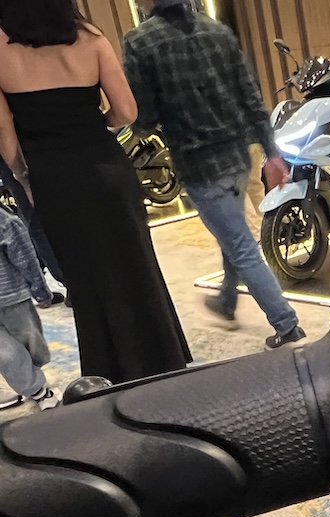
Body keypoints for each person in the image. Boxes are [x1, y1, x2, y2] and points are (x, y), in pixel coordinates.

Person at [0, 0, 192, 384]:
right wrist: (94, 124)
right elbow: (127, 112)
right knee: (138, 268)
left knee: (87, 282)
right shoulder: (90, 37)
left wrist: (24, 178)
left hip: (54, 178)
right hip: (108, 169)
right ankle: (165, 360)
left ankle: (111, 373)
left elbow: (6, 140)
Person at [124, 0, 306, 350]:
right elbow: (251, 97)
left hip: (199, 164)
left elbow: (143, 116)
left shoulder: (139, 42)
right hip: (239, 155)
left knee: (240, 245)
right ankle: (226, 299)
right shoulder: (218, 31)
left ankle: (287, 324)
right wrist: (272, 152)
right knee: (233, 232)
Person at [0, 207, 61, 411]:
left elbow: (26, 258)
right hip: (12, 297)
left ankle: (32, 378)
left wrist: (40, 290)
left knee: (29, 345)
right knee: (10, 353)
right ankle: (37, 390)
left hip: (13, 297)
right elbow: (26, 258)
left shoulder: (6, 221)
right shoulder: (7, 221)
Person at [0, 155, 67, 304]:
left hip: (20, 157)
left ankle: (49, 285)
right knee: (37, 222)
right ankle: (66, 282)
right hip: (17, 157)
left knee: (34, 222)